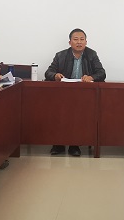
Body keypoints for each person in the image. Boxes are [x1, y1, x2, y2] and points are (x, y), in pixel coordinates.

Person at [45, 28, 106, 156]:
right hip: (64, 93)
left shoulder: (92, 54)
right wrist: (55, 75)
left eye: (82, 39)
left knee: (79, 113)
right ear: (70, 42)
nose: (79, 42)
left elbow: (101, 73)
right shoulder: (60, 55)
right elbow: (48, 72)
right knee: (58, 112)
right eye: (76, 39)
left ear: (86, 42)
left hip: (84, 94)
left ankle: (75, 144)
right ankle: (58, 144)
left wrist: (91, 77)